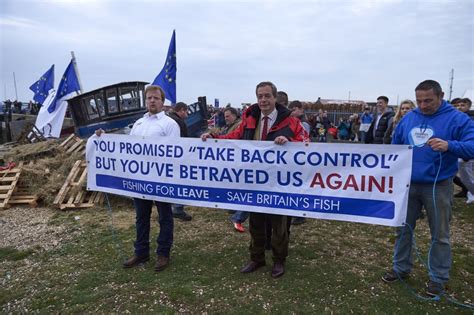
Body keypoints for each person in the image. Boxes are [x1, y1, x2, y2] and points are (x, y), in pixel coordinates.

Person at [201, 81, 307, 278]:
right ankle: (256, 258)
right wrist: (213, 140)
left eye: (267, 96)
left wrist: (290, 142)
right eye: (260, 96)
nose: (263, 100)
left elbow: (306, 143)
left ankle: (279, 260)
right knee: (256, 221)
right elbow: (234, 137)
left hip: (279, 181)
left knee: (279, 224)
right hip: (255, 181)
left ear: (275, 98)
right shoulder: (250, 120)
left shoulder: (291, 122)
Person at [381, 80, 474, 297]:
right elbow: (396, 146)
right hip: (408, 184)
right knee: (402, 228)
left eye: (428, 101)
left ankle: (438, 278)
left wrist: (451, 145)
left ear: (441, 95)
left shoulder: (458, 119)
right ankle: (401, 267)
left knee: (440, 233)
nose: (423, 106)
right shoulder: (410, 118)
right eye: (419, 101)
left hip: (438, 185)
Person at [96, 85, 180, 272]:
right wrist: (104, 138)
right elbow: (126, 147)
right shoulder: (138, 124)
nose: (152, 101)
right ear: (145, 100)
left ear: (162, 101)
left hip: (161, 179)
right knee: (141, 217)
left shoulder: (169, 124)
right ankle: (141, 251)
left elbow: (175, 153)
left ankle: (163, 253)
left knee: (164, 217)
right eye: (149, 98)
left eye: (156, 98)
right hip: (140, 180)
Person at [168, 102, 193, 221]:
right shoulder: (178, 122)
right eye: (186, 111)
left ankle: (171, 207)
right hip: (177, 158)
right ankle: (178, 208)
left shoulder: (168, 118)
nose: (187, 115)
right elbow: (184, 141)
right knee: (180, 182)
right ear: (182, 110)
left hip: (167, 157)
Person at [453, 98, 474, 203]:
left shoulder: (470, 118)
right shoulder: (456, 118)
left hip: (467, 151)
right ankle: (468, 192)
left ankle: (471, 193)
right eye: (458, 105)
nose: (459, 107)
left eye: (462, 105)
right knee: (463, 175)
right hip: (458, 149)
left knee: (467, 174)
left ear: (469, 106)